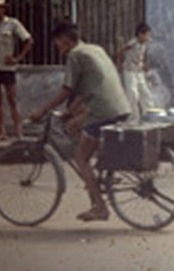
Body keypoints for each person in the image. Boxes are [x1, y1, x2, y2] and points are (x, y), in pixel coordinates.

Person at [29, 21, 131, 221]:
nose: (57, 47)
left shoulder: (75, 55)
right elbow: (89, 87)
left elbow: (67, 89)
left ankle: (99, 207)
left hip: (101, 110)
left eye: (57, 43)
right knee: (72, 126)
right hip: (119, 106)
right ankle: (99, 171)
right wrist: (69, 111)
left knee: (80, 159)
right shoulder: (94, 49)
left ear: (66, 40)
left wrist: (42, 111)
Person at [0, 0, 33, 140]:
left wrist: (17, 58)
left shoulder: (13, 23)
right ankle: (2, 131)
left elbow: (29, 40)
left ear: (3, 9)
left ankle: (19, 132)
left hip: (6, 67)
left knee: (12, 99)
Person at [115, 22, 156, 124]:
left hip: (139, 71)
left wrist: (144, 65)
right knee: (132, 94)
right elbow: (120, 51)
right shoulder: (133, 42)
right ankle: (133, 118)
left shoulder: (144, 44)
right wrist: (119, 65)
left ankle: (149, 115)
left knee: (145, 93)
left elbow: (141, 57)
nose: (147, 37)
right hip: (130, 71)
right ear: (140, 34)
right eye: (146, 35)